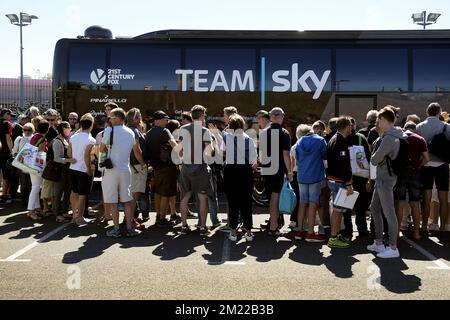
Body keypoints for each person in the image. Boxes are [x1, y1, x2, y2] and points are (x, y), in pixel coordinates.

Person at [368, 106, 406, 258]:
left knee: (388, 211)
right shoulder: (395, 135)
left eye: (379, 120)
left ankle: (392, 247)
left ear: (384, 120)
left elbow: (374, 159)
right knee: (374, 208)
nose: (377, 123)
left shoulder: (389, 137)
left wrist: (377, 157)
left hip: (385, 178)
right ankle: (378, 243)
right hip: (385, 177)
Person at [101, 108, 141, 237]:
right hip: (125, 169)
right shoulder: (130, 132)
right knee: (127, 200)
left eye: (111, 117)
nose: (109, 119)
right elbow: (135, 149)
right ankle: (129, 228)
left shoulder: (109, 130)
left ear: (118, 118)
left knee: (112, 200)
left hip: (111, 169)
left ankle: (116, 229)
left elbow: (102, 148)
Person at [178, 105, 213, 235]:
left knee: (184, 196)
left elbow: (180, 151)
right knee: (202, 197)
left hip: (186, 166)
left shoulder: (183, 129)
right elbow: (209, 152)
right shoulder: (205, 131)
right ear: (202, 116)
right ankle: (203, 227)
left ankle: (183, 225)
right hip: (200, 167)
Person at [222, 114, 257, 242]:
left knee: (233, 202)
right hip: (245, 171)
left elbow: (222, 152)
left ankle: (233, 232)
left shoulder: (226, 137)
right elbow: (254, 159)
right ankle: (248, 232)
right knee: (246, 203)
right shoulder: (249, 139)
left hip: (231, 170)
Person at [416, 102, 450, 232]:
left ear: (427, 112)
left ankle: (424, 226)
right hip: (442, 164)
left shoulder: (420, 126)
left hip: (426, 164)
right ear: (439, 112)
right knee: (443, 198)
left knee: (427, 197)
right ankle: (442, 228)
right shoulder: (446, 126)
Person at [394, 121, 429, 239]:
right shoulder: (420, 139)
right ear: (414, 129)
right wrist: (419, 166)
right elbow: (426, 158)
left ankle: (397, 232)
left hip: (401, 174)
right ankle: (416, 233)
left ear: (404, 128)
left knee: (399, 202)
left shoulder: (399, 138)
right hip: (415, 173)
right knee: (415, 203)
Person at [259, 107, 292, 235]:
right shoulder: (284, 133)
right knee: (275, 198)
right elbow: (286, 154)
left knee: (271, 197)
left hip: (267, 168)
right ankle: (273, 227)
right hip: (278, 169)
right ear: (280, 117)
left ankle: (273, 224)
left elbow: (261, 155)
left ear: (271, 117)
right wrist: (289, 172)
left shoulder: (264, 132)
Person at [294, 124, 327, 242]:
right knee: (313, 203)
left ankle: (299, 230)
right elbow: (325, 156)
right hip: (315, 176)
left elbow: (297, 159)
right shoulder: (320, 140)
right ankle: (310, 233)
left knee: (302, 202)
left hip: (302, 176)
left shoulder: (299, 141)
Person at [145, 111, 178, 227]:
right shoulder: (165, 131)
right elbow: (175, 146)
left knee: (158, 192)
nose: (167, 121)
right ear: (158, 120)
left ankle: (158, 215)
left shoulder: (148, 133)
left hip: (155, 166)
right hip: (167, 166)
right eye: (165, 119)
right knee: (166, 193)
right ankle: (162, 218)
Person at [326, 116, 354, 248]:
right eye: (350, 126)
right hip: (339, 180)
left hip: (333, 179)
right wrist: (348, 183)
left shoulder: (333, 138)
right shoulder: (340, 140)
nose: (352, 128)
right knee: (338, 210)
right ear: (347, 126)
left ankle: (335, 235)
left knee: (335, 209)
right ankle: (333, 237)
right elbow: (343, 164)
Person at [345, 117, 371, 238]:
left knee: (347, 206)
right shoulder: (361, 138)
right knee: (360, 206)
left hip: (346, 176)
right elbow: (369, 157)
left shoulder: (341, 138)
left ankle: (348, 231)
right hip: (360, 176)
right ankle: (362, 230)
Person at [68, 113, 96, 226]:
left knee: (74, 193)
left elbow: (69, 152)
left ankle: (75, 216)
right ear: (91, 125)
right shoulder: (91, 140)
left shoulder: (73, 137)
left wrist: (72, 160)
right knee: (82, 195)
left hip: (73, 168)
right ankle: (79, 217)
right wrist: (89, 169)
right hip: (83, 169)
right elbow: (87, 156)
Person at [125, 108, 148, 229]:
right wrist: (144, 164)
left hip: (129, 165)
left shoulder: (126, 130)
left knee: (130, 193)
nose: (140, 119)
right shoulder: (134, 131)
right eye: (139, 116)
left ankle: (129, 218)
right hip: (136, 166)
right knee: (134, 194)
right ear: (135, 118)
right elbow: (137, 151)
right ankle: (131, 220)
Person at [52, 121, 77, 223]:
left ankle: (65, 211)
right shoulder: (57, 141)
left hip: (68, 169)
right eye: (68, 128)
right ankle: (57, 214)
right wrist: (69, 160)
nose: (70, 129)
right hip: (60, 170)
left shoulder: (67, 139)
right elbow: (57, 158)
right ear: (62, 129)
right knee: (58, 192)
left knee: (67, 191)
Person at [27, 119, 50, 220]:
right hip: (37, 165)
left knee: (35, 186)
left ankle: (36, 208)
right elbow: (40, 153)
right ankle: (31, 211)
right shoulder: (42, 139)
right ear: (47, 129)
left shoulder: (34, 136)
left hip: (30, 164)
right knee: (36, 188)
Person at [12, 122, 34, 207]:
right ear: (23, 130)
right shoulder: (19, 139)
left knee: (30, 184)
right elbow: (14, 151)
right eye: (25, 130)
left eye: (29, 130)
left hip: (32, 165)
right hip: (21, 165)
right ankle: (24, 202)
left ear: (33, 130)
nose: (27, 132)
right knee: (24, 184)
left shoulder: (34, 138)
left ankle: (29, 202)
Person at [0, 108, 17, 203]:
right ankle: (4, 196)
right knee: (6, 175)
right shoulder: (7, 124)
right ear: (5, 114)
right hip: (5, 153)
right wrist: (12, 151)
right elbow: (8, 139)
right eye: (10, 115)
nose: (11, 117)